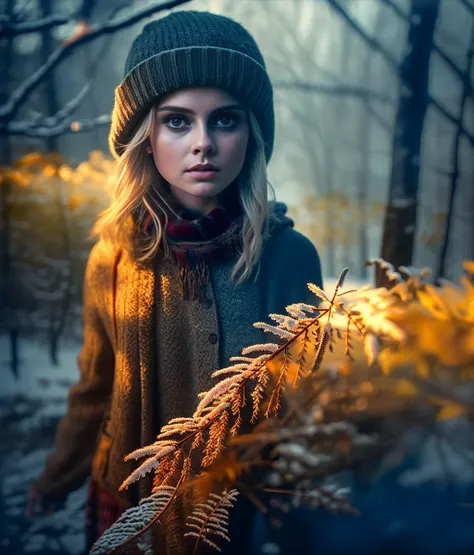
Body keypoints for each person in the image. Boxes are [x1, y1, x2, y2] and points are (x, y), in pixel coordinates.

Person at [26, 10, 323, 555]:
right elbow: (95, 388)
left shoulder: (288, 258)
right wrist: (56, 477)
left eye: (225, 120)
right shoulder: (112, 256)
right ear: (145, 133)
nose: (203, 143)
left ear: (251, 133)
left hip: (231, 520)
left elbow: (304, 416)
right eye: (178, 121)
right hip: (124, 506)